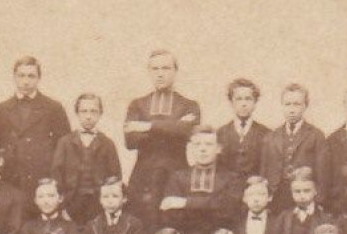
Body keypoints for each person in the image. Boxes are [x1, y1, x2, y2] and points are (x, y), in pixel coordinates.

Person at [123, 50, 201, 221]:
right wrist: (174, 126)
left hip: (177, 174)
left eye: (165, 68)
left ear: (175, 71)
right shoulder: (137, 104)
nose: (160, 74)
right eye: (155, 69)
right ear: (149, 72)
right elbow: (130, 141)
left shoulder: (189, 105)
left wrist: (147, 126)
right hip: (143, 178)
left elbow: (187, 132)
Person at [0, 56, 71, 188]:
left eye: (31, 76)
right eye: (21, 76)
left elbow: (64, 147)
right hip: (10, 179)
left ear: (39, 78)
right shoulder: (2, 109)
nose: (26, 81)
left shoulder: (53, 108)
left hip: (42, 180)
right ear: (14, 77)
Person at [52, 93, 122, 225]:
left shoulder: (107, 143)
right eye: (84, 111)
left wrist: (109, 204)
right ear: (77, 114)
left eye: (93, 111)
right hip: (71, 202)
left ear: (100, 114)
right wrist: (62, 207)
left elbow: (115, 176)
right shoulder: (65, 142)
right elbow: (56, 175)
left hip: (98, 204)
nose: (88, 116)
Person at [260, 83, 330, 210]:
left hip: (305, 196)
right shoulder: (271, 137)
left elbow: (322, 173)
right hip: (276, 197)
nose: (292, 109)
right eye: (287, 104)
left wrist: (319, 200)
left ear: (305, 106)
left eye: (297, 104)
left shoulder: (316, 135)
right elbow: (264, 171)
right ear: (282, 106)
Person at [214, 78, 270, 218]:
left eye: (248, 99)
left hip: (255, 197)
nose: (243, 103)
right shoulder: (220, 133)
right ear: (231, 102)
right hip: (227, 195)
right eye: (238, 99)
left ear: (255, 102)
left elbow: (267, 167)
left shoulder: (266, 134)